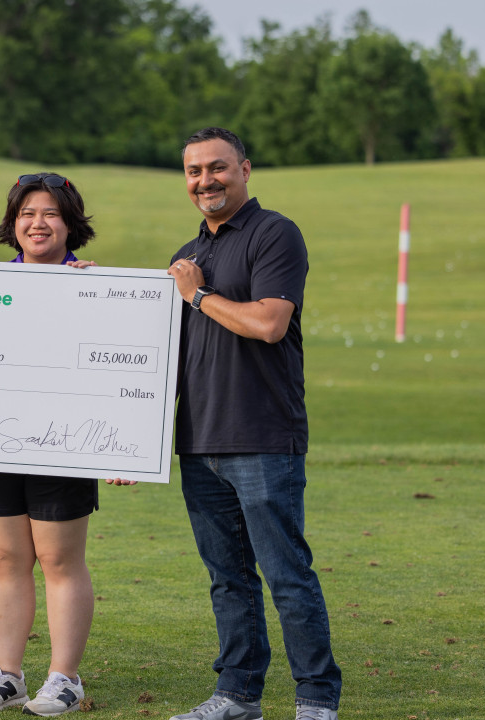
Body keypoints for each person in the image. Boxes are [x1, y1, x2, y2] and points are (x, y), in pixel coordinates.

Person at [164, 127, 341, 720]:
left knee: (287, 574)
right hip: (200, 440)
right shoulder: (189, 254)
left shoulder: (274, 234)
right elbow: (169, 357)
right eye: (194, 171)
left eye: (217, 167)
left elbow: (268, 323)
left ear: (244, 169)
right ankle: (237, 695)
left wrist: (198, 295)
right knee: (228, 579)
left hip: (262, 436)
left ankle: (316, 699)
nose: (205, 181)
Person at [0, 172, 134, 717]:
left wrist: (125, 445)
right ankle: (7, 676)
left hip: (65, 442)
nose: (38, 224)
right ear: (13, 224)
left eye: (51, 214)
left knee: (59, 558)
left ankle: (64, 679)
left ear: (70, 223)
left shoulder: (95, 286)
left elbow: (123, 369)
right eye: (27, 214)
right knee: (6, 556)